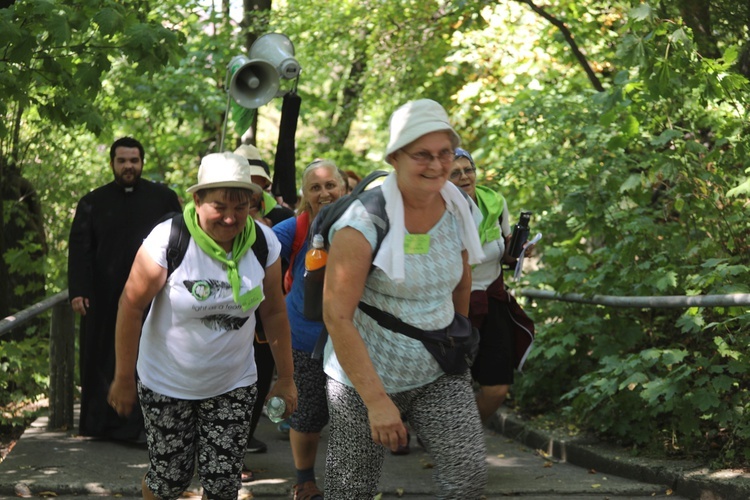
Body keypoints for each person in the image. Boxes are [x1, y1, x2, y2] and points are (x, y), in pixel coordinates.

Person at [322, 99, 488, 498]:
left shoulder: (459, 206)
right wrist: (376, 401)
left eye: (445, 153)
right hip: (362, 380)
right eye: (422, 155)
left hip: (438, 372)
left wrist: (455, 336)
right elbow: (337, 316)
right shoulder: (362, 223)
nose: (437, 165)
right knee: (351, 489)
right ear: (395, 157)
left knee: (468, 476)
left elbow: (462, 277)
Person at [107, 152, 297, 500]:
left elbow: (273, 312)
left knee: (224, 485)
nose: (230, 217)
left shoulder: (263, 243)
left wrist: (286, 378)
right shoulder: (169, 240)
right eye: (219, 206)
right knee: (169, 482)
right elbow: (131, 306)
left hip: (233, 382)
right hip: (166, 383)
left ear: (253, 203)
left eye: (240, 207)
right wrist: (123, 377)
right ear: (197, 200)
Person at [68, 136, 181, 442]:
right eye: (122, 161)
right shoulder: (92, 202)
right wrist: (78, 290)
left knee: (151, 355)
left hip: (152, 295)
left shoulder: (164, 198)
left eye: (134, 160)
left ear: (142, 162)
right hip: (102, 297)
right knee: (100, 356)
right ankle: (100, 425)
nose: (129, 166)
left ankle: (144, 428)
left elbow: (179, 243)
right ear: (113, 163)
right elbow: (80, 250)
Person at [272, 159, 347, 500]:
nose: (324, 192)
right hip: (304, 336)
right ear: (305, 195)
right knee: (308, 413)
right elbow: (259, 250)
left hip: (354, 336)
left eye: (330, 184)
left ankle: (348, 482)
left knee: (351, 413)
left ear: (344, 187)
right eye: (315, 187)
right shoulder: (295, 228)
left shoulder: (367, 223)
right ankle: (304, 481)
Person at [449, 147, 534, 422]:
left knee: (497, 388)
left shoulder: (494, 201)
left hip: (492, 301)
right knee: (450, 385)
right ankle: (445, 435)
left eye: (468, 169)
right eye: (455, 173)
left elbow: (506, 252)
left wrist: (521, 251)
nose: (464, 177)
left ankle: (460, 433)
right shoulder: (434, 209)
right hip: (450, 309)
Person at [234, 144, 295, 466]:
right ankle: (231, 448)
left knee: (258, 381)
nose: (249, 189)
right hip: (227, 316)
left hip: (266, 316)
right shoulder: (222, 217)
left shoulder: (283, 217)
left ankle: (241, 440)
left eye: (254, 182)